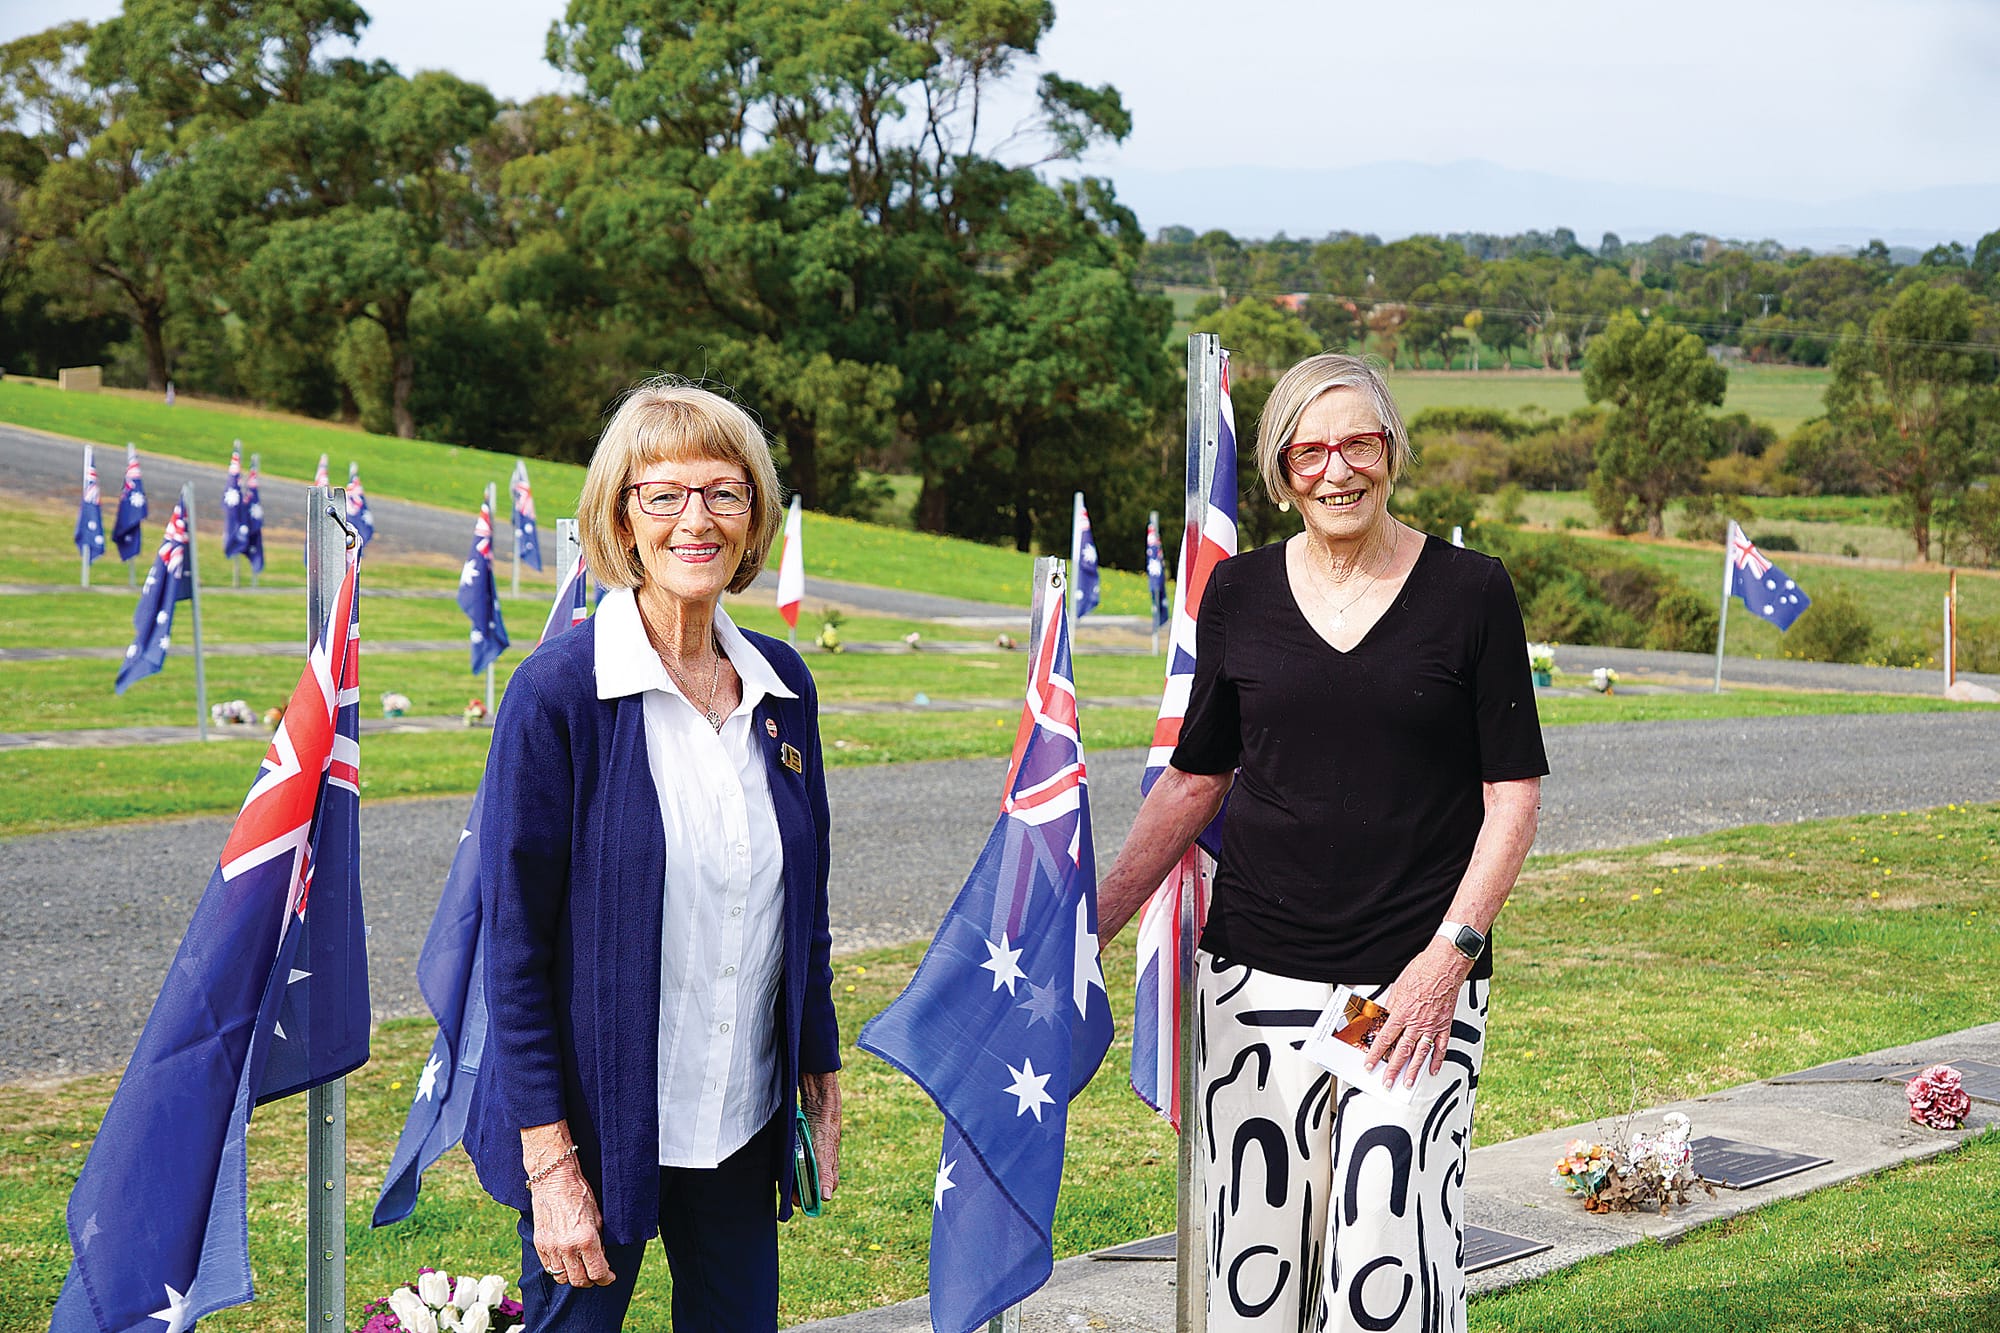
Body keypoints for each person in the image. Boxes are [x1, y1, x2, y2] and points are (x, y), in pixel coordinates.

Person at [1095, 353, 1547, 1333]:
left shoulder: (1470, 591)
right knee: (1257, 1260)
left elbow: (1511, 794)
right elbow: (1196, 776)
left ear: (1390, 451)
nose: (1336, 469)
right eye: (1310, 450)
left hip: (1408, 992)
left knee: (1387, 1256)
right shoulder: (1241, 595)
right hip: (1252, 981)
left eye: (1357, 443)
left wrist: (1447, 957)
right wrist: (1093, 915)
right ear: (1278, 469)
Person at [466, 380, 841, 1331]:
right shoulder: (557, 695)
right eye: (663, 494)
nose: (696, 520)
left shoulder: (782, 685)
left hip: (739, 1124)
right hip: (597, 1130)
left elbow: (806, 904)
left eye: (725, 492)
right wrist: (549, 1165)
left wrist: (819, 1072)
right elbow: (511, 953)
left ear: (754, 515)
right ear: (622, 516)